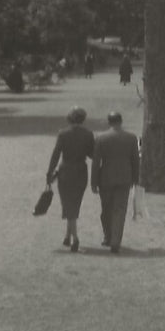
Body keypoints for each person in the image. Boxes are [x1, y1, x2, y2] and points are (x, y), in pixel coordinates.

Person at [46, 106, 95, 251]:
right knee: (74, 203)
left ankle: (75, 239)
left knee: (68, 204)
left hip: (65, 171)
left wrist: (49, 173)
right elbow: (92, 154)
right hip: (81, 171)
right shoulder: (88, 134)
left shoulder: (63, 134)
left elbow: (55, 155)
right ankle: (68, 236)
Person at [92, 111, 140, 253]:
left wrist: (93, 182)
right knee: (119, 210)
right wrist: (136, 179)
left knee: (106, 210)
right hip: (125, 178)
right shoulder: (131, 138)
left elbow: (96, 163)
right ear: (121, 121)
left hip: (105, 178)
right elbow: (135, 161)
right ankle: (115, 240)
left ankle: (108, 236)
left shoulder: (101, 138)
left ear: (109, 122)